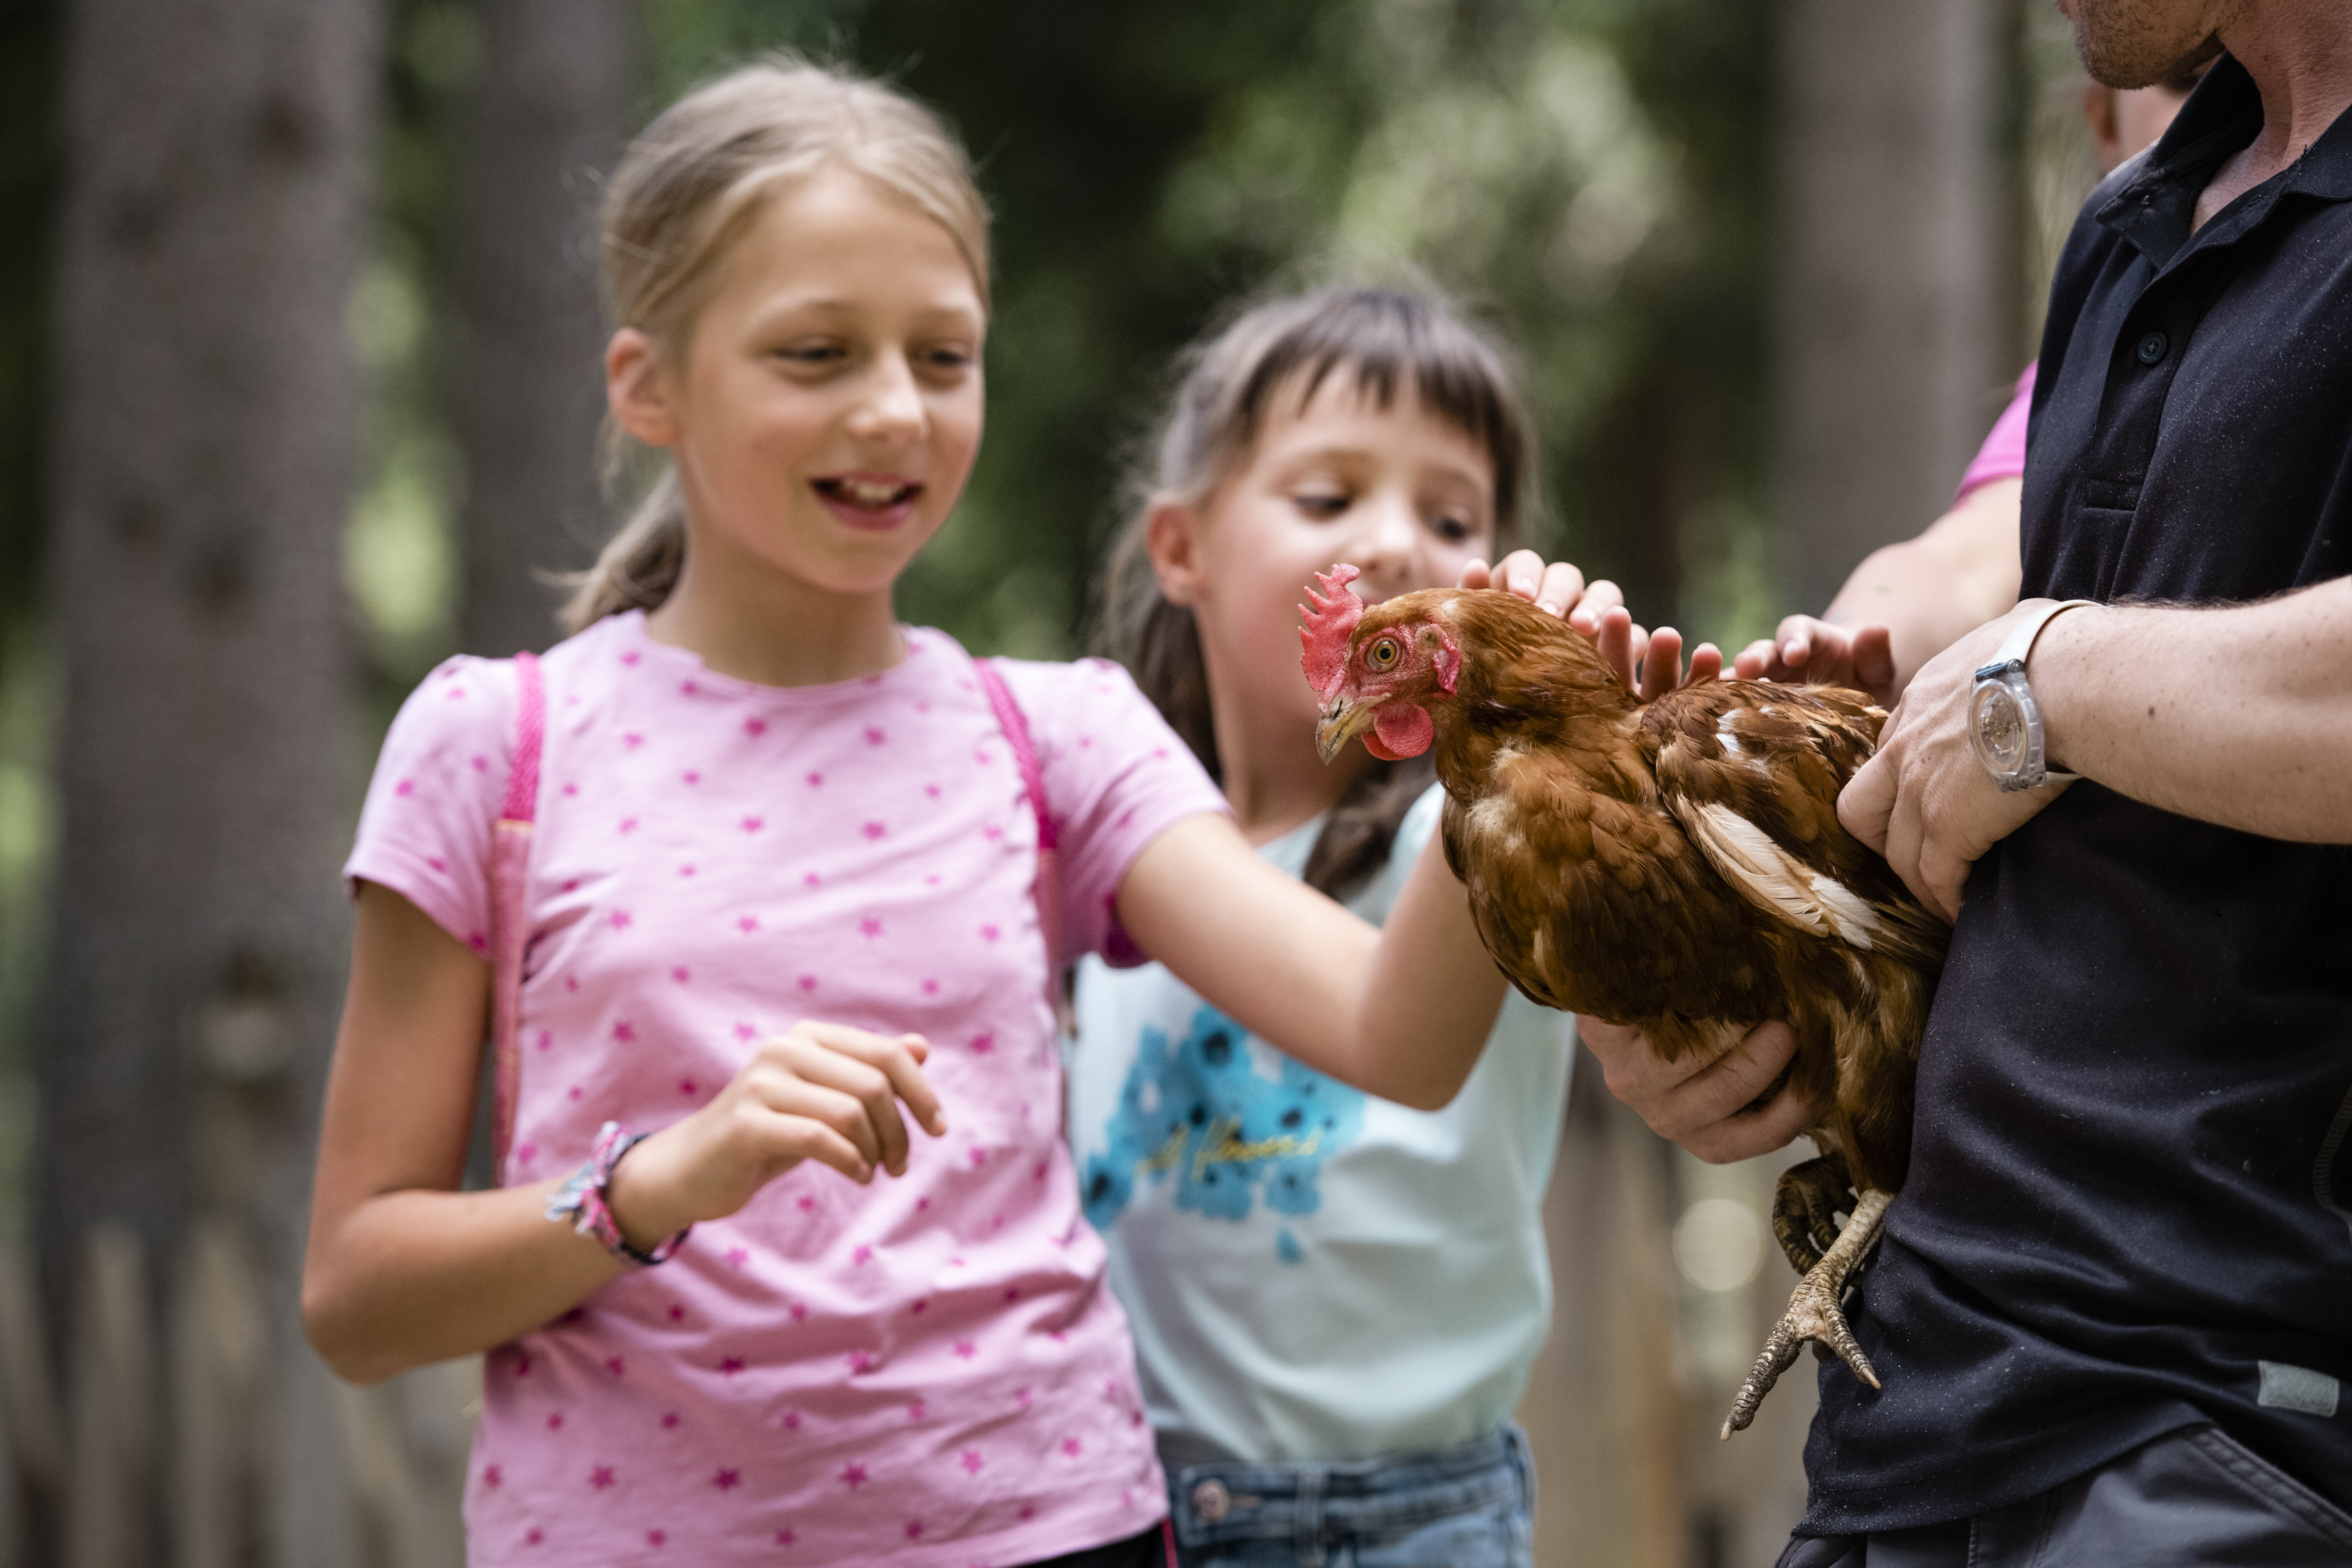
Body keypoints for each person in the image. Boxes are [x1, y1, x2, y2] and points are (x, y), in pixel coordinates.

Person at [301, 60, 1594, 1568]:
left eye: (944, 355)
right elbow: (355, 1295)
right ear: (648, 385)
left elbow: (1396, 1036)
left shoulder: (1055, 736)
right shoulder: (493, 742)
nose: (894, 412)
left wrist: (1517, 730)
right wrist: (657, 1184)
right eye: (816, 354)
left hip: (1060, 1532)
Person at [1585, 3, 2352, 1563]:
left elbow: (2033, 658)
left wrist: (2045, 682)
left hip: (2223, 1423)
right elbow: (1958, 579)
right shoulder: (2142, 219)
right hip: (1917, 1416)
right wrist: (1716, 951)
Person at [1068, 286, 1708, 1568]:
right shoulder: (1118, 863)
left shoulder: (1472, 837)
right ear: (1180, 546)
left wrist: (1552, 716)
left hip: (1408, 1521)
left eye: (1453, 516)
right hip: (1125, 1507)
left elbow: (1417, 1016)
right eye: (1328, 496)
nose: (1399, 540)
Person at [1732, 70, 2207, 705]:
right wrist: (1858, 639)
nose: (2226, 114)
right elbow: (1967, 564)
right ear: (2102, 124)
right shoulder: (2086, 368)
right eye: (2188, 81)